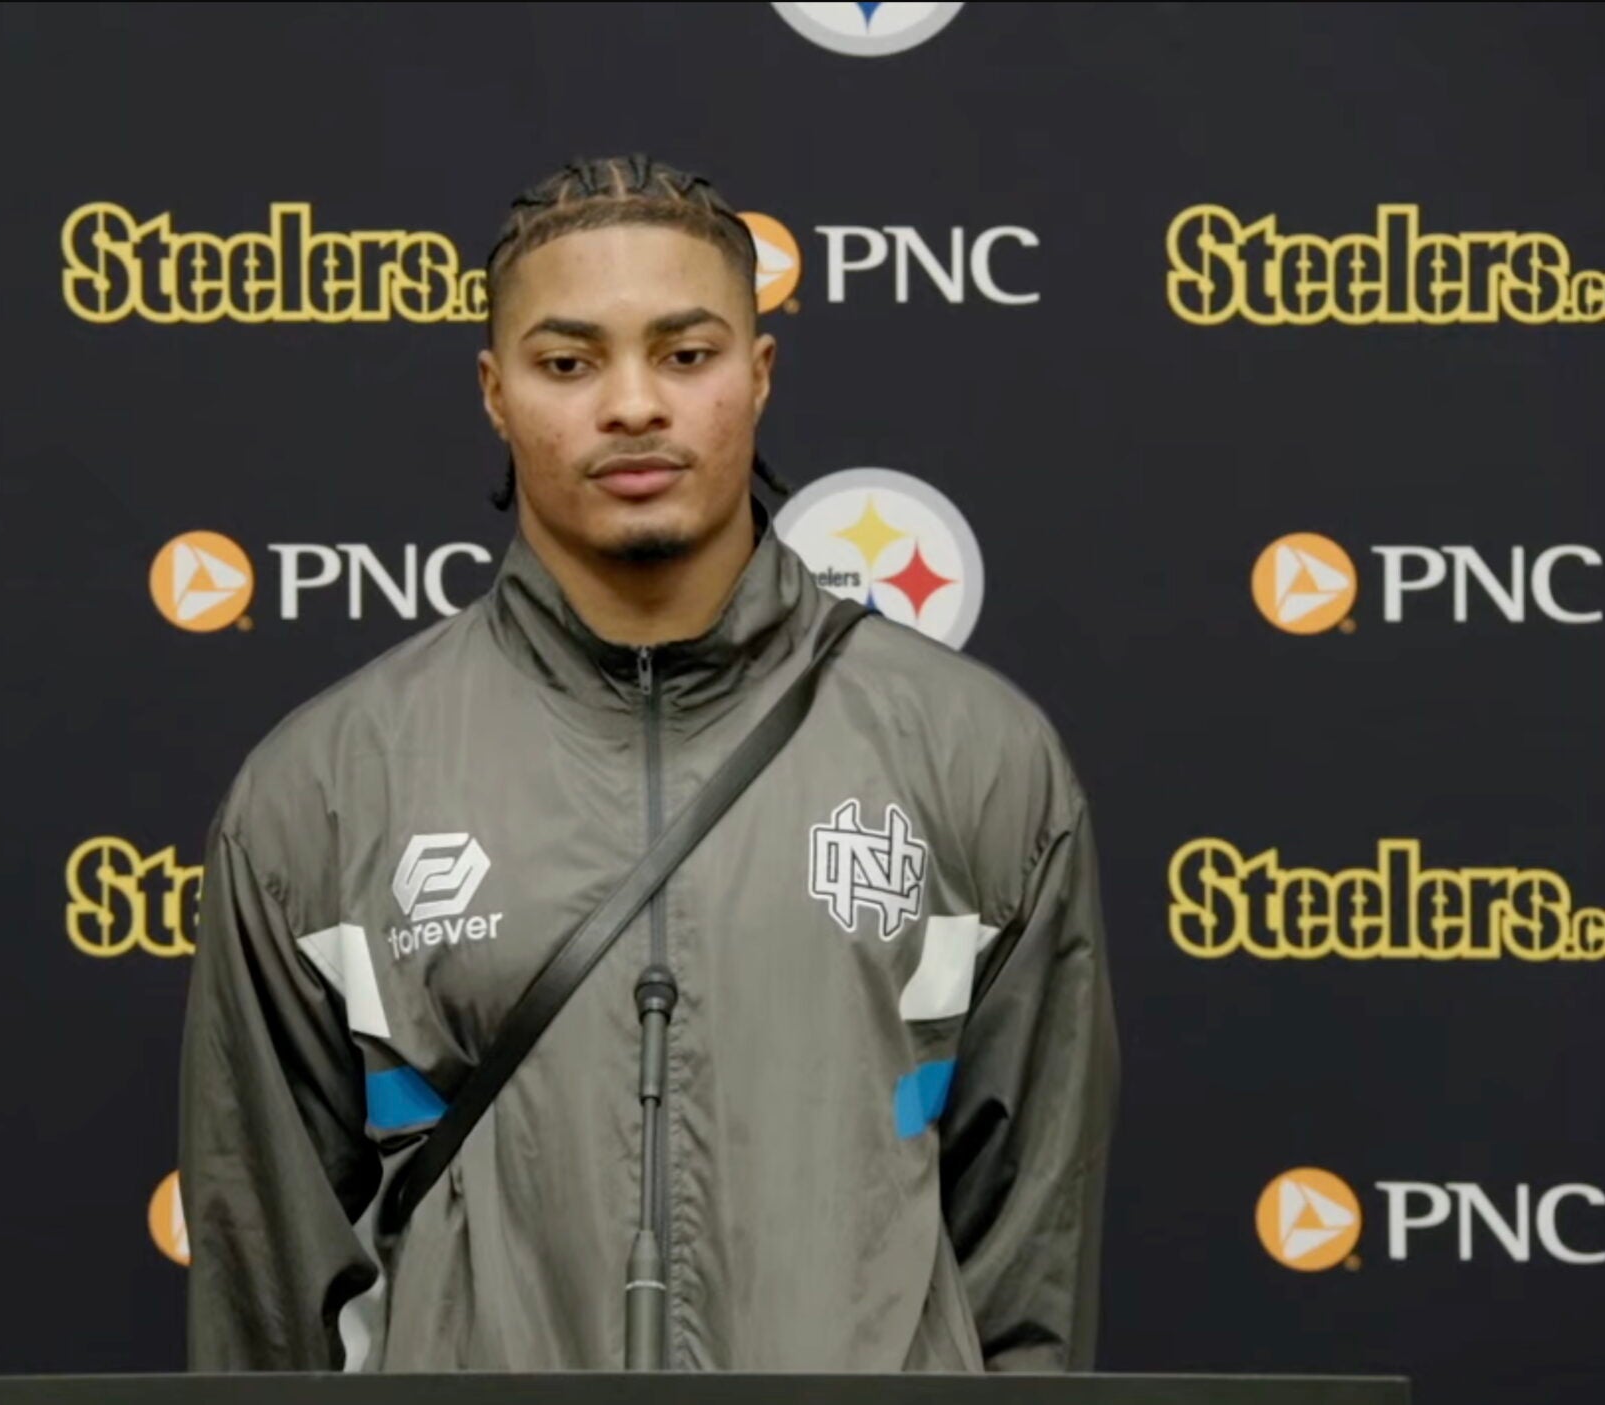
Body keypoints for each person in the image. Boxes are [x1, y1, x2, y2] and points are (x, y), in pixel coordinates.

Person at [181, 154, 1117, 1373]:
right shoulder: (324, 787)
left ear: (758, 373)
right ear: (494, 392)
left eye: (685, 354)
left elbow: (1028, 1280)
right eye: (568, 363)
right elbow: (262, 1317)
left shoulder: (977, 757)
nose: (632, 405)